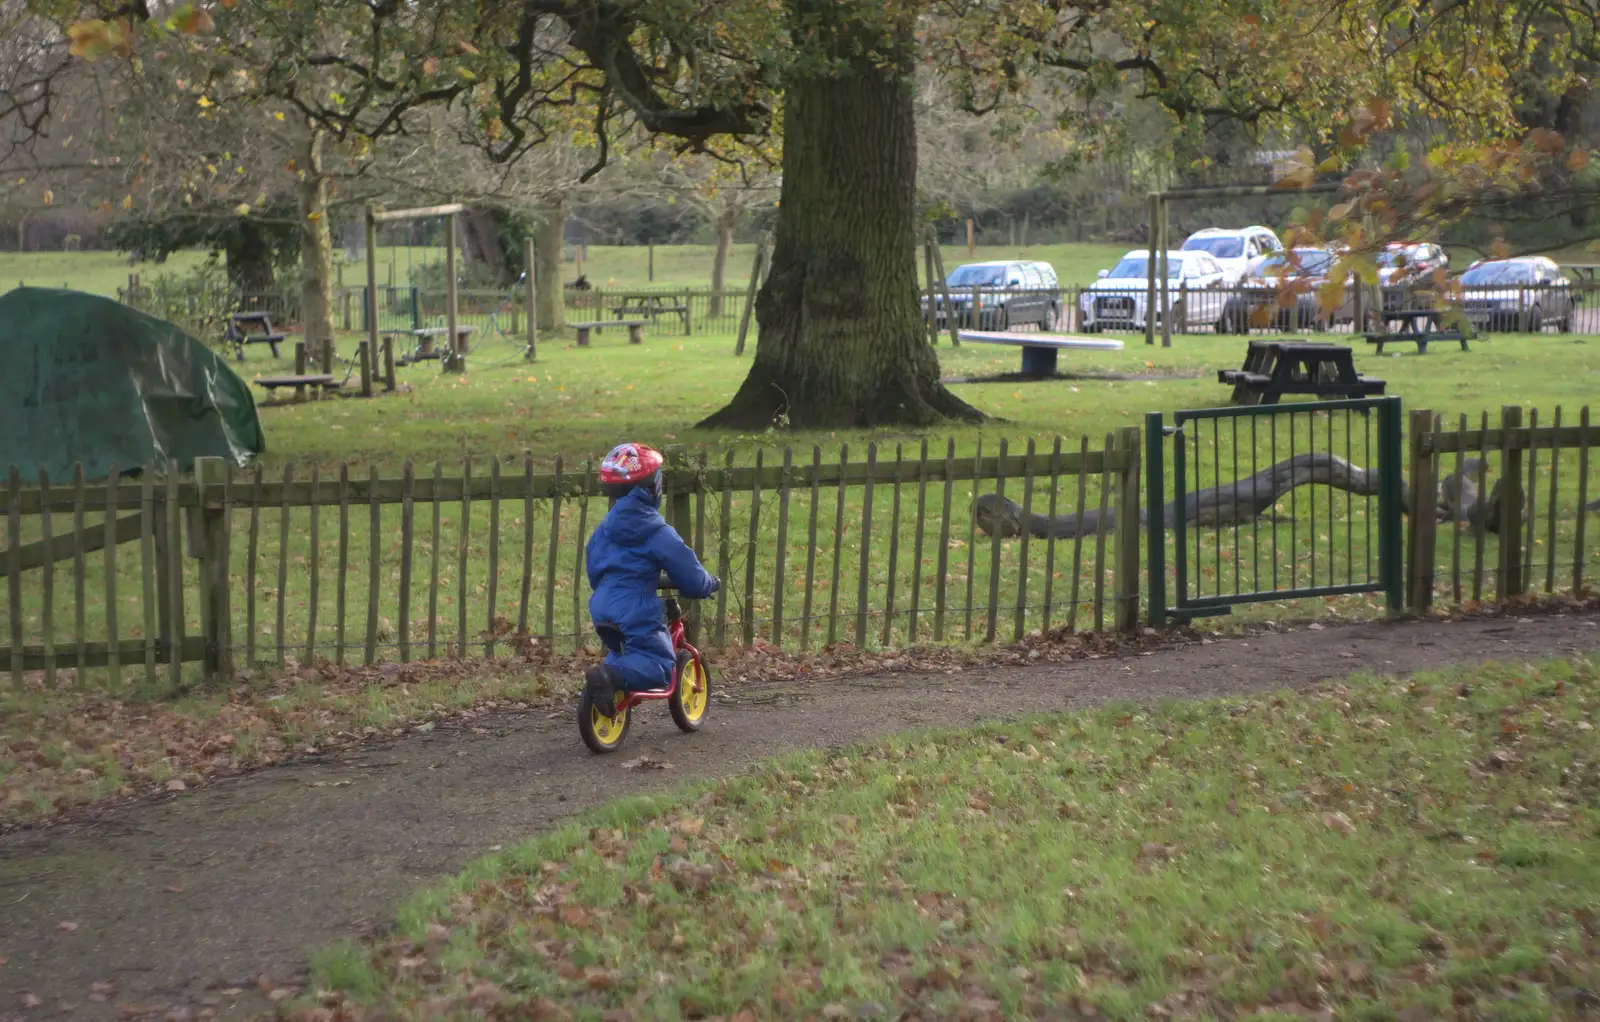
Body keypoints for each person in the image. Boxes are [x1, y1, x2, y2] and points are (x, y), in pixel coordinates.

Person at [584, 443, 719, 718]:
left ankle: (608, 684)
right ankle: (608, 676)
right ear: (651, 487)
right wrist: (709, 584)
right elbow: (690, 576)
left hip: (602, 604)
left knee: (624, 653)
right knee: (658, 665)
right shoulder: (657, 531)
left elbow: (595, 569)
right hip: (634, 607)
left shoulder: (603, 531)